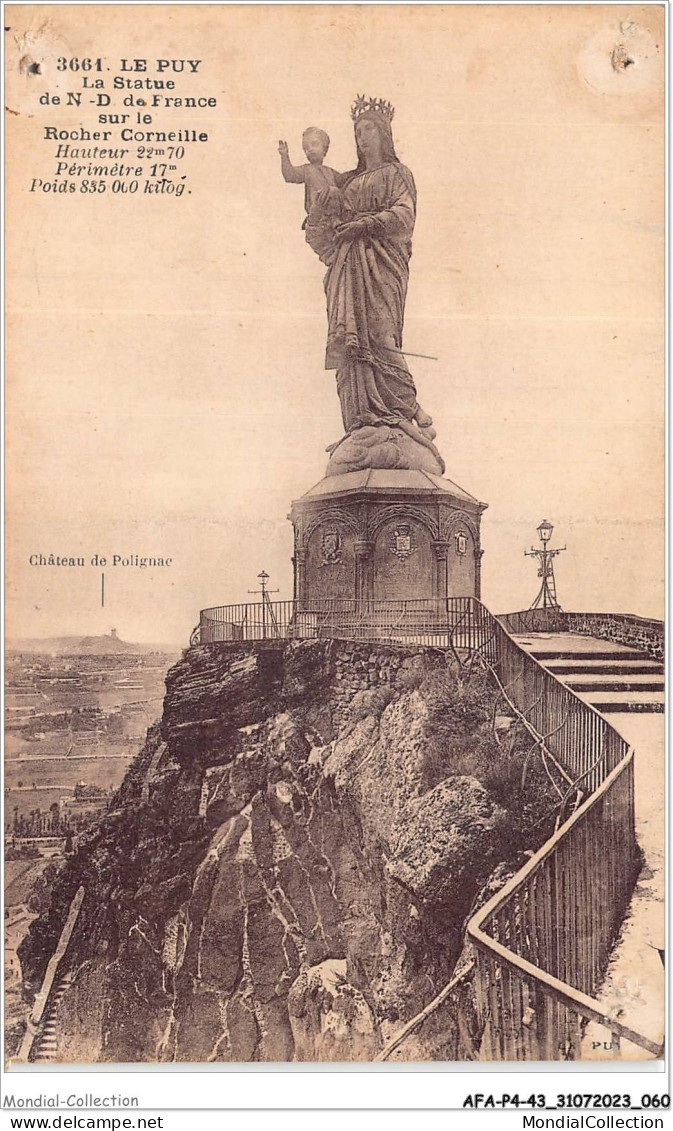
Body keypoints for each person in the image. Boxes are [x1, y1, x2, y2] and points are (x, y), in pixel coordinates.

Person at [314, 100, 438, 457]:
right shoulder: (347, 181)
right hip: (348, 266)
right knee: (351, 345)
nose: (361, 137)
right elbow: (325, 217)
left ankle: (409, 411)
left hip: (381, 264)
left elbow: (403, 214)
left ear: (383, 133)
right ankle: (361, 421)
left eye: (368, 129)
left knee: (381, 336)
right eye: (357, 132)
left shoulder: (398, 174)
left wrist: (365, 224)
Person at [277, 128, 343, 227]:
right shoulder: (307, 170)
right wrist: (284, 156)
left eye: (314, 144)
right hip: (317, 213)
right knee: (333, 191)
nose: (310, 149)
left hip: (332, 217)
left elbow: (346, 181)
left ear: (324, 149)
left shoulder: (331, 172)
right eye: (306, 148)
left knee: (335, 191)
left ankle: (336, 220)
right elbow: (289, 175)